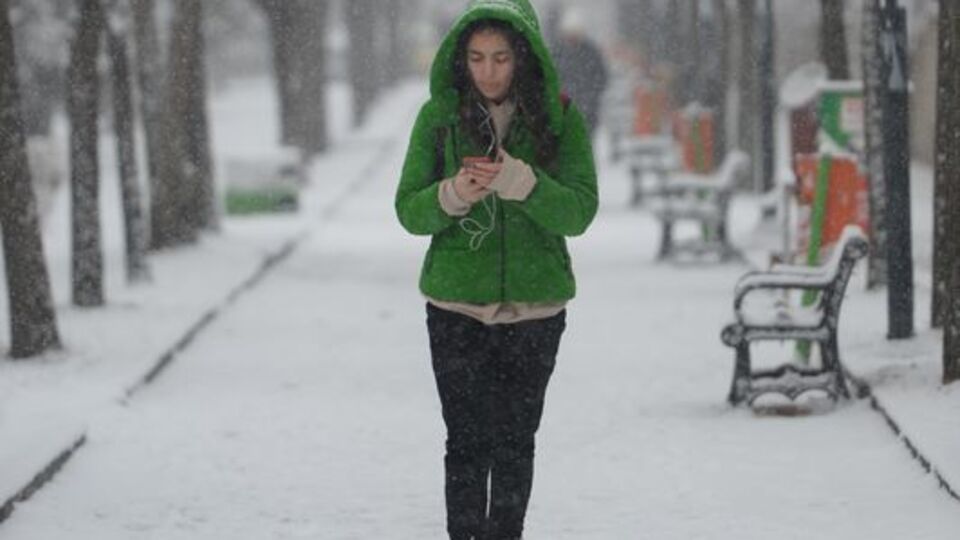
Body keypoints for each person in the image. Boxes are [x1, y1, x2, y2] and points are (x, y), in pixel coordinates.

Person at [395, 1, 598, 539]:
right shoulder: (438, 118)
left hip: (536, 310)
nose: (488, 71)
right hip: (456, 307)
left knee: (514, 443)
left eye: (501, 58)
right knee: (465, 441)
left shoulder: (559, 117)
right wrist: (452, 194)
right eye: (478, 57)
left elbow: (580, 211)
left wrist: (524, 184)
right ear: (461, 58)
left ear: (522, 56)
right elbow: (409, 210)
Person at [551, 7, 609, 137]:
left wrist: (590, 97)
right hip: (564, 110)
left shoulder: (591, 53)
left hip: (587, 111)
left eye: (575, 33)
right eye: (570, 34)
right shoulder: (557, 53)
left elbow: (601, 77)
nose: (572, 38)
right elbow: (550, 78)